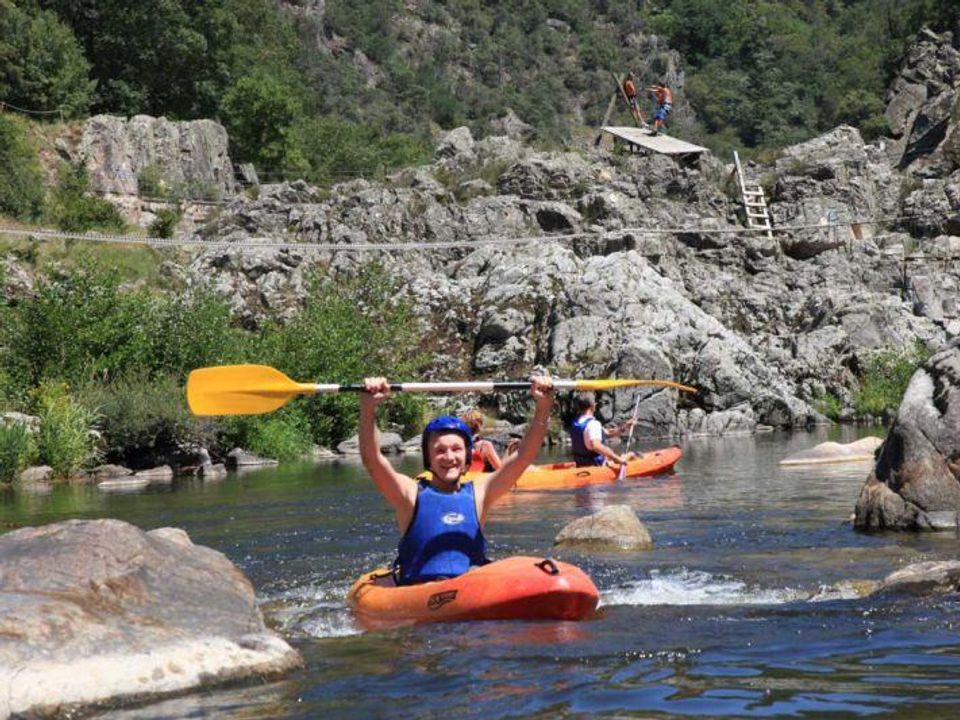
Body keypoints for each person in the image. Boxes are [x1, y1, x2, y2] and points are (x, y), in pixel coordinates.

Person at [359, 376, 554, 585]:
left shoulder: (481, 492)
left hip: (470, 590)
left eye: (456, 449)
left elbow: (524, 455)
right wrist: (368, 408)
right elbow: (373, 460)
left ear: (467, 456)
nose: (450, 457)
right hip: (421, 593)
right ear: (429, 458)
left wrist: (543, 406)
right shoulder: (409, 493)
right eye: (440, 450)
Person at [568, 392, 637, 468]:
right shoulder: (593, 424)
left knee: (624, 455)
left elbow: (607, 433)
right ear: (592, 406)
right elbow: (596, 446)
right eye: (595, 402)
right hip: (596, 466)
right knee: (631, 454)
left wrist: (626, 426)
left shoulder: (576, 422)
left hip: (581, 464)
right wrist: (616, 458)